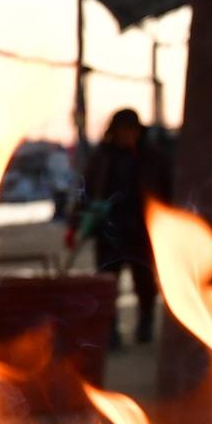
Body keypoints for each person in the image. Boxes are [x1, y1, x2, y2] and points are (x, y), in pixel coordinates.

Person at [66, 108, 170, 346]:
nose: (127, 136)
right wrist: (74, 225)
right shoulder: (102, 158)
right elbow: (86, 192)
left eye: (131, 131)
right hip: (109, 232)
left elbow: (167, 191)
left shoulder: (152, 158)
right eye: (123, 131)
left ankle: (144, 327)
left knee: (144, 283)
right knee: (107, 283)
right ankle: (110, 333)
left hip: (142, 231)